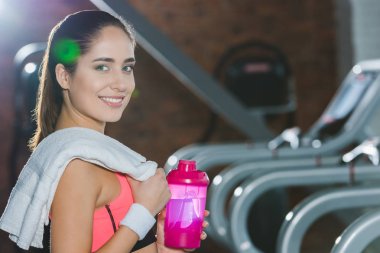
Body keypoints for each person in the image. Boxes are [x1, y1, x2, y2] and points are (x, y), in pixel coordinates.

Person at [5, 10, 208, 253]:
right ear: (64, 76)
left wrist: (162, 249)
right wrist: (142, 213)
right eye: (102, 67)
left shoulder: (98, 155)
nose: (121, 84)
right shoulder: (77, 166)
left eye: (127, 68)